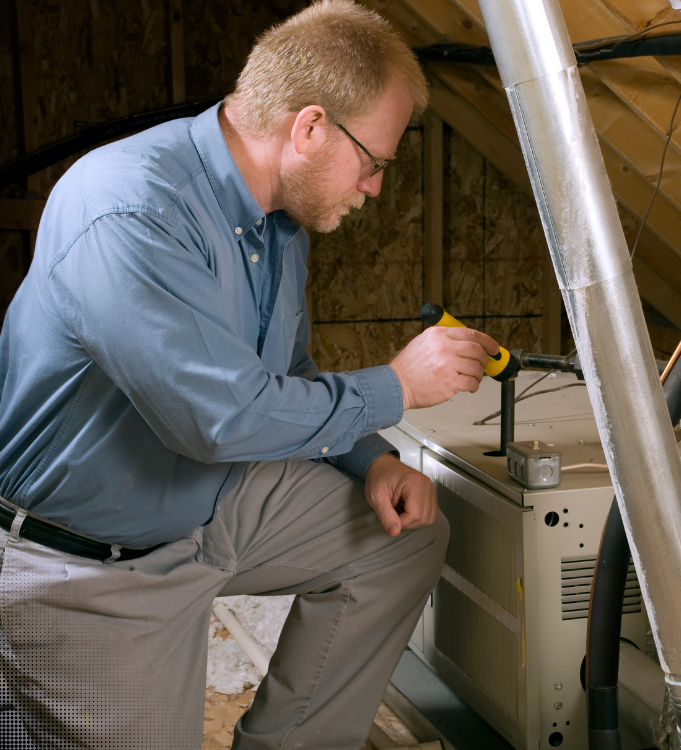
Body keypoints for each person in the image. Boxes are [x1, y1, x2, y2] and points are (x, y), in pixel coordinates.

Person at [0, 2, 500, 748]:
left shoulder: (278, 222)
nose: (374, 188)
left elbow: (287, 372)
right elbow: (219, 420)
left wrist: (373, 459)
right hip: (92, 567)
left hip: (209, 502)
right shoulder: (130, 207)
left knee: (403, 539)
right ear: (310, 128)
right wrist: (397, 386)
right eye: (375, 162)